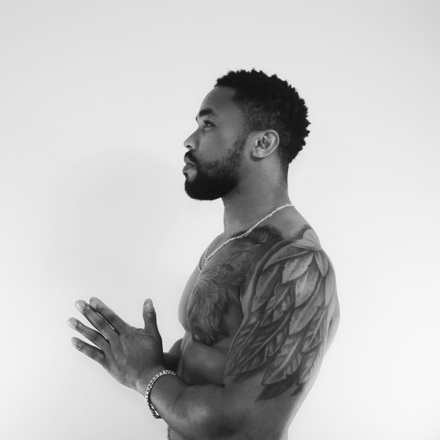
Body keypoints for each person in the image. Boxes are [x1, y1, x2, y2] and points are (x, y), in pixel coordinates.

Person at [68, 69, 340, 440]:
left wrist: (143, 375)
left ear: (262, 143)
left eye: (208, 125)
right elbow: (207, 366)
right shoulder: (225, 244)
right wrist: (139, 357)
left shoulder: (295, 264)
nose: (190, 139)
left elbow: (244, 427)